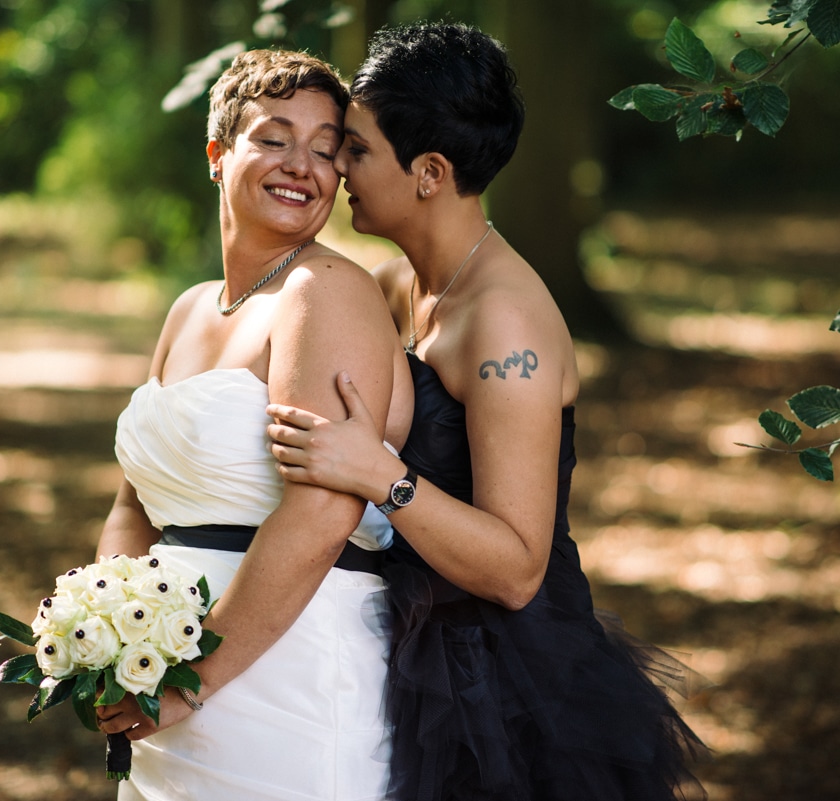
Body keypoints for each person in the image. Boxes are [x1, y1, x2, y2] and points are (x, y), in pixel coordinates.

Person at [266, 21, 706, 801]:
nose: (337, 166)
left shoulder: (507, 322)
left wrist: (380, 474)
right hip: (406, 644)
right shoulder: (398, 285)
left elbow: (516, 569)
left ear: (429, 172)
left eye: (357, 149)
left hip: (510, 686)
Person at [91, 48, 412, 801]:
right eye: (273, 138)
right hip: (168, 679)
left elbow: (323, 509)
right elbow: (133, 503)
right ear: (217, 154)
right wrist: (112, 641)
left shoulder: (324, 290)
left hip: (289, 681)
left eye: (326, 149)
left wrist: (192, 680)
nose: (300, 163)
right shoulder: (189, 308)